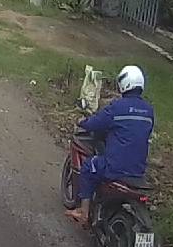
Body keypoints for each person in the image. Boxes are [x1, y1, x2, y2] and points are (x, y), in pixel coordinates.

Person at [64, 65, 154, 227]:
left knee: (88, 166)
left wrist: (82, 121)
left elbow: (96, 123)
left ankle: (83, 212)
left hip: (115, 167)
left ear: (123, 84)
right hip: (138, 172)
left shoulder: (117, 107)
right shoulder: (149, 111)